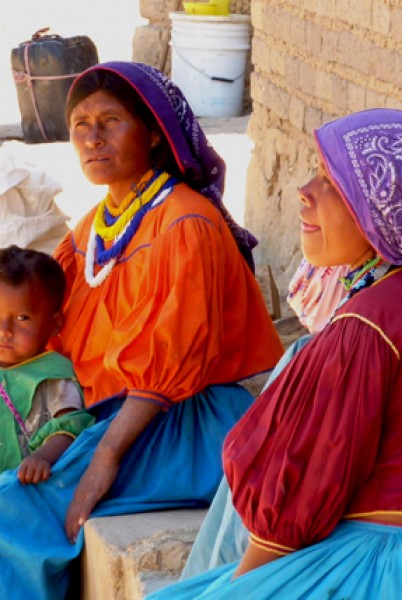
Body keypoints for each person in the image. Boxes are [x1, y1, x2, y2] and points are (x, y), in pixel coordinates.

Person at [145, 108, 402, 599]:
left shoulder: (371, 321)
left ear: (388, 201)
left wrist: (238, 587)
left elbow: (293, 502)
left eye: (333, 180)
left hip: (381, 568)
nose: (305, 190)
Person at [0, 61, 284, 598]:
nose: (92, 137)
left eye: (110, 121)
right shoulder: (91, 229)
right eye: (80, 124)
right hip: (108, 417)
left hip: (178, 427)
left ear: (154, 132)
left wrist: (103, 458)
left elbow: (166, 367)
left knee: (11, 517)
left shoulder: (185, 222)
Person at [0, 245, 92, 482]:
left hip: (26, 488)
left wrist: (42, 458)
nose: (5, 331)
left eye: (22, 318)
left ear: (54, 324)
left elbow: (70, 425)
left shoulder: (53, 374)